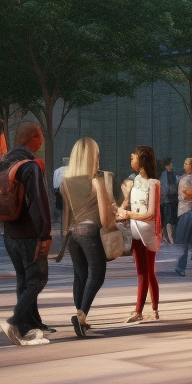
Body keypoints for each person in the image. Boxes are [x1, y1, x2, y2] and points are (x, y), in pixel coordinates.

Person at [0, 122, 55, 347]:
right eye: (41, 136)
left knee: (23, 279)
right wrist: (44, 234)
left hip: (9, 232)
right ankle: (15, 320)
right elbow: (39, 203)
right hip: (29, 233)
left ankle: (30, 325)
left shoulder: (3, 162)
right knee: (38, 279)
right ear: (33, 138)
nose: (43, 140)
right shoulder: (31, 166)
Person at [60, 137, 116, 337]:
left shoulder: (65, 181)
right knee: (97, 274)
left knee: (80, 275)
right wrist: (111, 226)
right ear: (93, 156)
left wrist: (65, 233)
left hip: (73, 233)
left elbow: (66, 213)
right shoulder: (96, 179)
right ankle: (80, 316)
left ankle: (80, 317)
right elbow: (104, 215)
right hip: (91, 231)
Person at [116, 145, 162, 323]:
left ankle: (149, 309)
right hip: (135, 228)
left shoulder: (154, 184)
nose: (131, 160)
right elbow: (127, 202)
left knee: (149, 271)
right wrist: (121, 210)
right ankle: (141, 310)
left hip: (148, 231)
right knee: (142, 272)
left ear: (142, 160)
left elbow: (151, 213)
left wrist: (128, 214)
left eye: (133, 157)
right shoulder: (134, 180)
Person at [174, 157, 192, 276]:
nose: (187, 165)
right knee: (191, 240)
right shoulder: (185, 178)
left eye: (190, 163)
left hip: (187, 212)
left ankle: (181, 267)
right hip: (186, 211)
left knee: (182, 241)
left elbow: (189, 196)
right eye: (185, 163)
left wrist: (186, 194)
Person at [160, 157, 179, 244]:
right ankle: (170, 240)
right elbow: (167, 189)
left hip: (169, 200)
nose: (172, 165)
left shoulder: (169, 174)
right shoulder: (167, 175)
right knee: (168, 220)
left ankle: (169, 239)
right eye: (171, 164)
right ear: (167, 165)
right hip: (168, 201)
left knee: (169, 220)